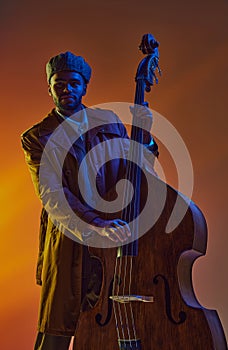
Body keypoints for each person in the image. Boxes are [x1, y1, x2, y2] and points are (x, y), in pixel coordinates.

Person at [21, 51, 159, 350]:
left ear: (85, 87)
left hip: (112, 239)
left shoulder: (108, 121)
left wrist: (144, 138)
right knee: (57, 331)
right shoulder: (36, 137)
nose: (66, 89)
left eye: (74, 83)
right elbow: (53, 195)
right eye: (59, 84)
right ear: (49, 88)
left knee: (108, 327)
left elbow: (135, 172)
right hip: (69, 239)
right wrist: (98, 224)